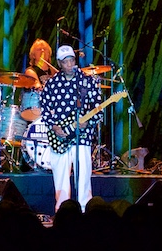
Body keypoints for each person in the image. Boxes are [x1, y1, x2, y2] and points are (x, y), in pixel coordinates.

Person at [41, 45, 103, 212]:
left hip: (81, 136)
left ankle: (84, 210)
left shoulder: (86, 81)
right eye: (65, 62)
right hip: (58, 137)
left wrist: (87, 122)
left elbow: (98, 108)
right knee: (60, 178)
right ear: (59, 64)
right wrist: (54, 126)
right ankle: (62, 212)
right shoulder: (52, 83)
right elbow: (45, 109)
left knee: (83, 176)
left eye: (71, 60)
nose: (69, 65)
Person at [21, 39, 54, 122]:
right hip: (37, 108)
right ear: (33, 55)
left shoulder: (54, 72)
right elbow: (38, 87)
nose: (42, 51)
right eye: (39, 49)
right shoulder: (31, 71)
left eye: (45, 49)